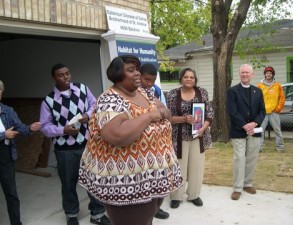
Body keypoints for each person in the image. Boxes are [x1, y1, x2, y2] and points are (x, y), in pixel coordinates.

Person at [78, 55, 183, 225]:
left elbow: (166, 112)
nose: (137, 74)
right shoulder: (110, 99)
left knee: (147, 220)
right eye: (131, 70)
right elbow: (117, 135)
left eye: (137, 69)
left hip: (153, 180)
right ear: (118, 74)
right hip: (127, 185)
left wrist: (161, 113)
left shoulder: (143, 92)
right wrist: (149, 116)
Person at [39, 64, 111, 225]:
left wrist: (87, 114)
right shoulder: (49, 100)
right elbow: (44, 127)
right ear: (54, 78)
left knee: (93, 179)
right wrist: (63, 130)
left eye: (67, 73)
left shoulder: (82, 89)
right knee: (68, 182)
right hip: (65, 150)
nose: (65, 77)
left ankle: (98, 213)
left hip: (88, 144)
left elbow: (95, 105)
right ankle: (71, 214)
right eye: (60, 75)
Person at [166, 68, 214, 209]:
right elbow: (168, 118)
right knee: (178, 167)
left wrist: (203, 128)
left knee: (197, 167)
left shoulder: (202, 92)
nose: (188, 79)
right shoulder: (172, 94)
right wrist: (184, 118)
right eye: (186, 77)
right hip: (178, 138)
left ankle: (194, 195)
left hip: (198, 136)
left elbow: (209, 113)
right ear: (181, 78)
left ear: (195, 79)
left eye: (191, 77)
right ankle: (176, 197)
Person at [0, 80, 41, 225]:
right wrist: (3, 135)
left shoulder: (7, 110)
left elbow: (19, 127)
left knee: (11, 193)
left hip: (4, 155)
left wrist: (30, 128)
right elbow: (5, 134)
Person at [226, 64, 266, 201]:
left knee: (251, 158)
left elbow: (262, 111)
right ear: (239, 74)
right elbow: (232, 111)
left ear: (252, 74)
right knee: (239, 158)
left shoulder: (258, 91)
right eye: (242, 72)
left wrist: (254, 124)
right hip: (238, 130)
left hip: (254, 130)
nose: (245, 74)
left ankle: (247, 184)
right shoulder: (232, 91)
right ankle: (237, 188)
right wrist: (244, 125)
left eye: (247, 72)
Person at [140, 63, 169, 220]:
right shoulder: (132, 94)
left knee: (158, 180)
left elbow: (166, 111)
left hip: (158, 145)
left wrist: (161, 111)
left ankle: (156, 209)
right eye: (146, 80)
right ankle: (146, 214)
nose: (149, 84)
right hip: (141, 147)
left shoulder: (155, 91)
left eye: (152, 80)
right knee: (145, 182)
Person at [257, 66, 285, 152]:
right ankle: (258, 148)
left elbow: (282, 98)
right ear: (265, 74)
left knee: (277, 131)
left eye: (270, 73)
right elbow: (256, 98)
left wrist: (278, 108)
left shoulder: (277, 85)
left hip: (274, 113)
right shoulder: (259, 85)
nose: (268, 74)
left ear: (272, 75)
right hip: (263, 113)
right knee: (260, 131)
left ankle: (280, 147)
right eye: (267, 73)